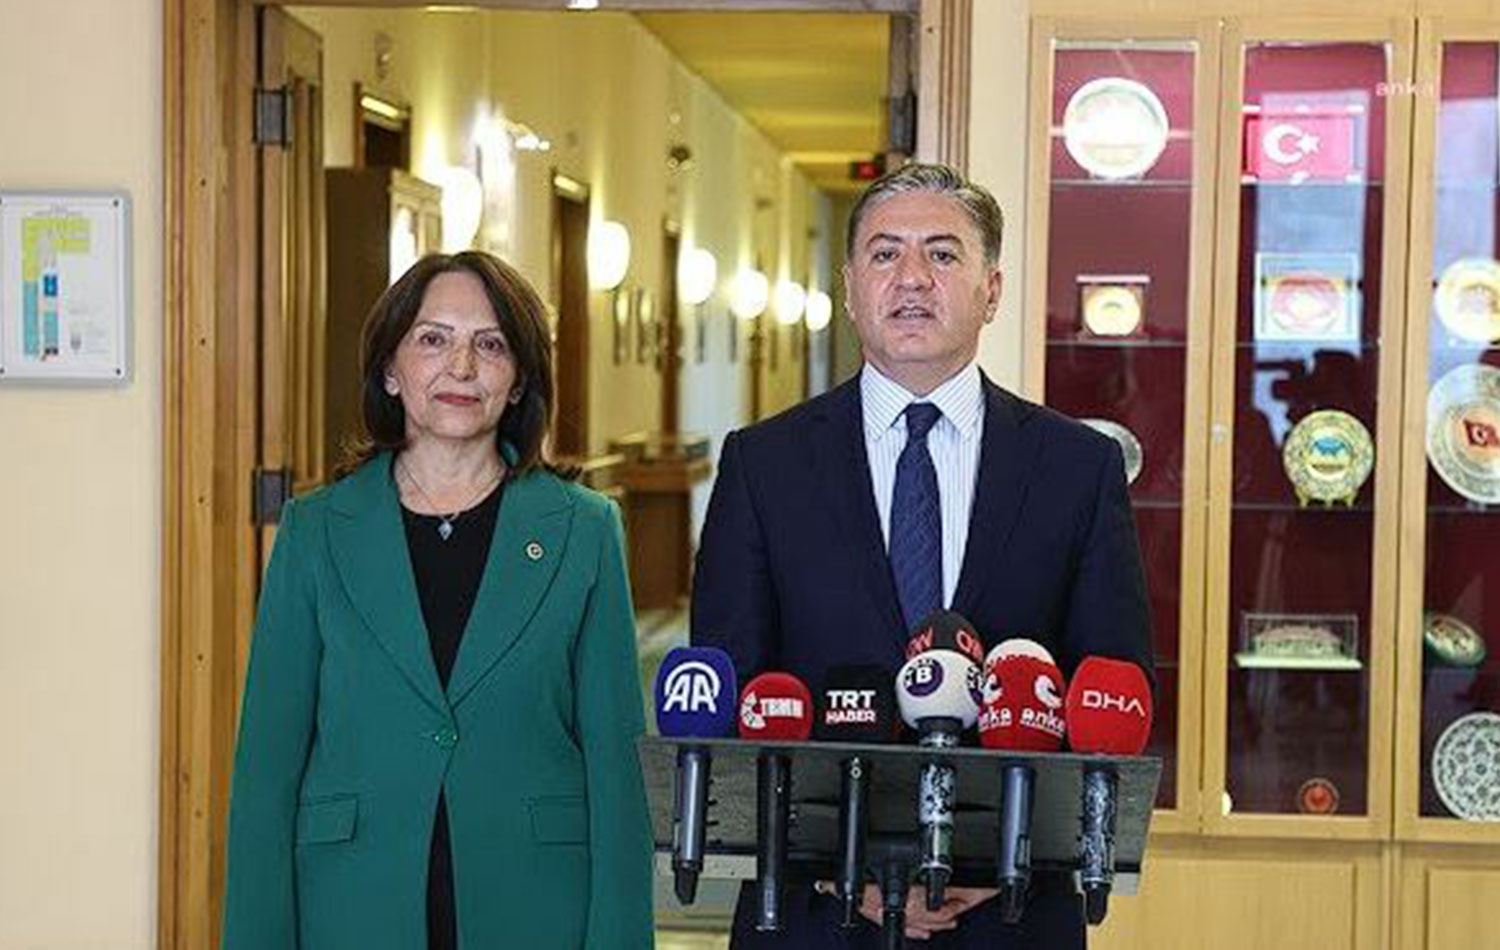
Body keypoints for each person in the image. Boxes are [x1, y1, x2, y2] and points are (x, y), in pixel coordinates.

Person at [692, 163, 1152, 948]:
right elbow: (728, 687)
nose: (911, 278)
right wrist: (836, 863)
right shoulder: (763, 464)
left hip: (1009, 908)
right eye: (884, 254)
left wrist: (1003, 856)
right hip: (811, 910)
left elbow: (1110, 689)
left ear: (992, 290)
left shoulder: (1077, 468)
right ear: (849, 287)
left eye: (942, 254)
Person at [222, 251, 654, 949]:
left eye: (491, 345)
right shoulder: (315, 532)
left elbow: (617, 774)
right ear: (390, 370)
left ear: (519, 380)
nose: (461, 366)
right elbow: (265, 776)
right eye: (433, 339)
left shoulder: (584, 530)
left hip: (535, 906)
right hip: (352, 905)